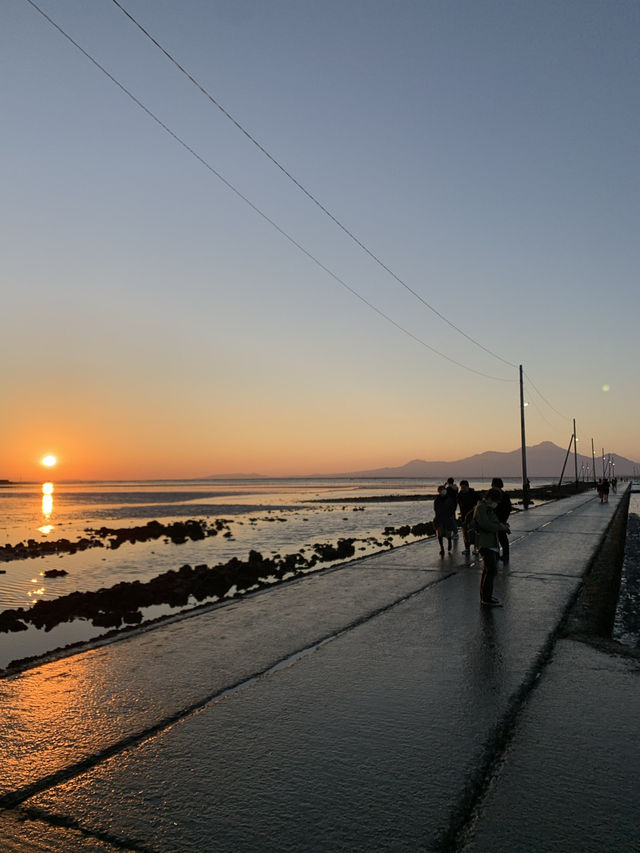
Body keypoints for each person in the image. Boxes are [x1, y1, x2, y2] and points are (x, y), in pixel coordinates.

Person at [474, 487, 510, 606]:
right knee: (491, 571)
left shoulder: (488, 508)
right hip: (485, 543)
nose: (496, 504)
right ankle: (486, 599)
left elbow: (493, 523)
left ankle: (485, 596)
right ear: (489, 498)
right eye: (496, 501)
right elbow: (486, 525)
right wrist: (500, 527)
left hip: (491, 543)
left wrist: (502, 525)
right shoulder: (481, 508)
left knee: (488, 571)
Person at [490, 477, 512, 562]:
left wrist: (503, 520)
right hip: (494, 518)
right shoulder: (493, 494)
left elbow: (508, 508)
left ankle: (505, 555)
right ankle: (497, 555)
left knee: (502, 537)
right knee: (496, 538)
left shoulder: (504, 495)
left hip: (501, 518)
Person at [457, 480, 478, 556]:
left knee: (474, 532)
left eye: (464, 487)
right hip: (464, 516)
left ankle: (476, 548)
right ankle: (467, 548)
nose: (463, 489)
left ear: (468, 486)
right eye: (461, 487)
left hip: (473, 516)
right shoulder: (459, 495)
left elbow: (480, 502)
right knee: (465, 533)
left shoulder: (474, 493)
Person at [433, 484, 456, 556]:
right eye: (441, 490)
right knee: (439, 534)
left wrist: (450, 514)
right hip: (439, 518)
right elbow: (435, 509)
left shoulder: (449, 498)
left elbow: (453, 507)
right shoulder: (437, 499)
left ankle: (449, 542)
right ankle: (442, 548)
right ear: (439, 491)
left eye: (444, 489)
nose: (443, 491)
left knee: (448, 533)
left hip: (448, 518)